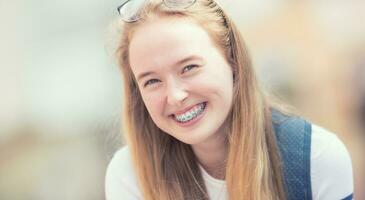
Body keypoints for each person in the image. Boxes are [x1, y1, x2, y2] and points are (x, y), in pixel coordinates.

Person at [105, 0, 354, 199]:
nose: (175, 96)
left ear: (232, 61)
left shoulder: (315, 159)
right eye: (151, 81)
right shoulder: (130, 176)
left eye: (189, 67)